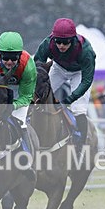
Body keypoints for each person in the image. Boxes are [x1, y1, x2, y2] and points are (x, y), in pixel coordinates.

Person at [34, 18, 96, 148]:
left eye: (65, 42)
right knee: (36, 98)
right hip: (58, 68)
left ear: (73, 40)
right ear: (53, 39)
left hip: (79, 73)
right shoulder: (47, 44)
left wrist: (71, 98)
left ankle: (81, 147)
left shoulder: (86, 51)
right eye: (58, 42)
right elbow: (37, 67)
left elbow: (86, 81)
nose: (61, 45)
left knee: (78, 109)